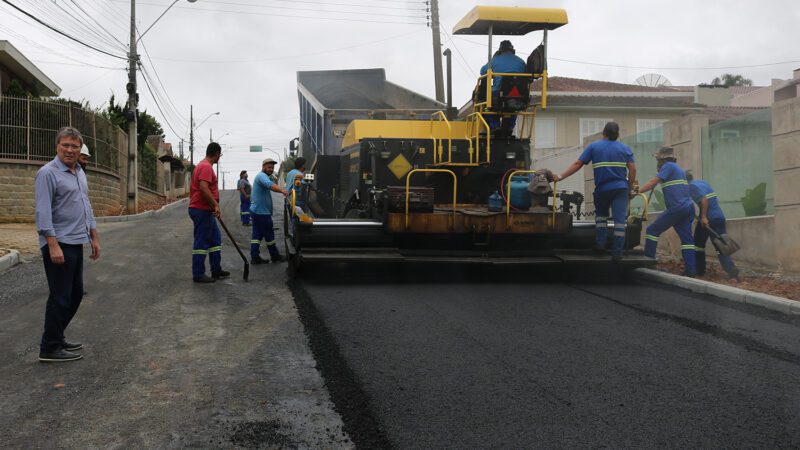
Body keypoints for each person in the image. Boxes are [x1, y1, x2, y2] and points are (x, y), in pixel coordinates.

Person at [35, 126, 101, 362]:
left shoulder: (79, 172)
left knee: (74, 295)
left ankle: (56, 335)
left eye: (74, 146)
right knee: (60, 296)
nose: (70, 150)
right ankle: (49, 347)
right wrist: (52, 244)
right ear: (57, 146)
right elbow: (42, 213)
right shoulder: (48, 173)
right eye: (66, 145)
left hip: (76, 241)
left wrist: (94, 237)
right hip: (59, 242)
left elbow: (87, 206)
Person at [551, 122, 636, 261]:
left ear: (604, 134)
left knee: (601, 218)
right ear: (618, 135)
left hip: (602, 189)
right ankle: (617, 253)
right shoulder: (625, 148)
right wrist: (630, 188)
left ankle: (600, 246)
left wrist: (560, 177)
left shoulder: (594, 147)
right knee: (620, 222)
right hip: (621, 189)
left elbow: (578, 164)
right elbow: (633, 169)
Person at [637, 147, 696, 277]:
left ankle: (649, 263)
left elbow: (653, 182)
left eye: (657, 158)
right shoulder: (678, 169)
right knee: (687, 240)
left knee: (652, 230)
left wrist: (636, 192)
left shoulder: (667, 166)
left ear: (662, 158)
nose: (656, 161)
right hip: (688, 208)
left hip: (677, 208)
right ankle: (691, 271)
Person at [188, 142, 230, 283]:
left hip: (204, 209)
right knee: (201, 241)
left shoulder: (201, 165)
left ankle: (216, 270)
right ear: (217, 153)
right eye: (220, 154)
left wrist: (212, 206)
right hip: (201, 210)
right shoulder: (206, 167)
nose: (220, 157)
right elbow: (204, 188)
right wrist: (216, 205)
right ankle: (198, 274)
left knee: (215, 240)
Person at [687, 172, 740, 279]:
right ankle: (731, 270)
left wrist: (703, 217)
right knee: (721, 245)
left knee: (698, 245)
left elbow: (704, 200)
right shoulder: (702, 182)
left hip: (709, 218)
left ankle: (699, 270)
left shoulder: (690, 187)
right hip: (719, 216)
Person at [479, 40, 526, 137]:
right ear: (512, 50)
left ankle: (495, 126)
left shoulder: (495, 60)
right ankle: (510, 127)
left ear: (500, 50)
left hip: (498, 94)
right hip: (519, 95)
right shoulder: (521, 62)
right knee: (514, 107)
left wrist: (494, 60)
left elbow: (482, 71)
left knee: (488, 105)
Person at [250, 158, 289, 264]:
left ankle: (254, 256)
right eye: (269, 167)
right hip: (261, 213)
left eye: (272, 168)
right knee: (269, 234)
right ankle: (275, 256)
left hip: (257, 211)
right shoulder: (262, 176)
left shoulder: (262, 176)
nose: (271, 169)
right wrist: (282, 190)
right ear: (263, 167)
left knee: (257, 235)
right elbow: (270, 185)